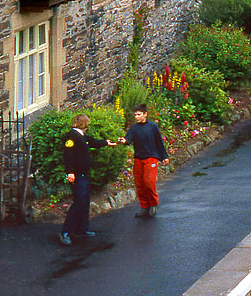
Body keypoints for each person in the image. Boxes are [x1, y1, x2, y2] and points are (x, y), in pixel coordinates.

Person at [59, 113, 117, 246]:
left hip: (84, 174)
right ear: (83, 124)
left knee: (85, 201)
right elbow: (68, 156)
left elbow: (92, 141)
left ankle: (82, 229)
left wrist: (106, 143)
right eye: (87, 123)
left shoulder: (81, 136)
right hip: (78, 175)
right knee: (79, 202)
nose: (88, 126)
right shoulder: (71, 136)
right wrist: (70, 172)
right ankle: (65, 232)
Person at [118, 104, 170, 218]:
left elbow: (159, 142)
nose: (137, 117)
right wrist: (124, 140)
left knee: (149, 183)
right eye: (135, 115)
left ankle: (154, 204)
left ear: (145, 114)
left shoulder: (153, 127)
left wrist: (164, 156)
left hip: (151, 157)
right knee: (139, 184)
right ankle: (145, 206)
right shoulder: (133, 128)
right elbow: (128, 139)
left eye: (139, 114)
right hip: (138, 158)